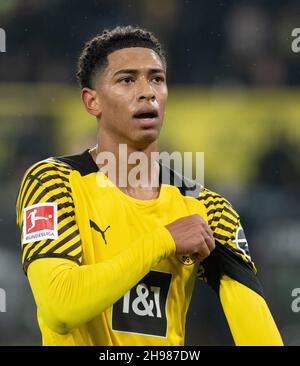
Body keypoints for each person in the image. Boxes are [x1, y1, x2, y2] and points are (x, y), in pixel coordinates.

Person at [16, 26, 283, 346]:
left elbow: (258, 331)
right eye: (127, 80)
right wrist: (164, 240)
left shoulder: (208, 207)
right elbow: (61, 307)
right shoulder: (53, 181)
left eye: (156, 78)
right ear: (92, 101)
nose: (147, 92)